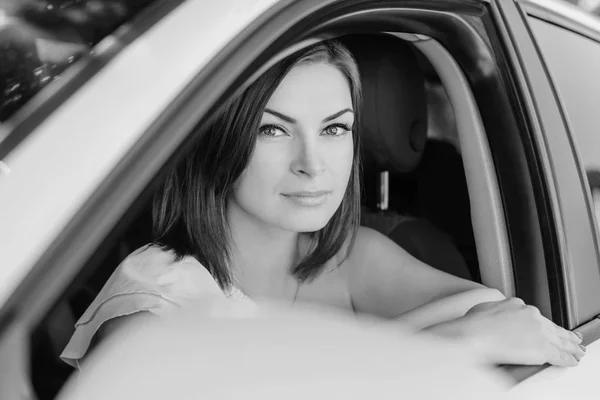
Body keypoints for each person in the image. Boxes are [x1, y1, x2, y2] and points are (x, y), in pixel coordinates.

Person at [60, 39, 585, 369]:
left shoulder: (348, 254)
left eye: (335, 128)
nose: (314, 164)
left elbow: (494, 310)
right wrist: (449, 345)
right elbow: (479, 329)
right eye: (272, 129)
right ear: (217, 142)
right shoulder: (153, 309)